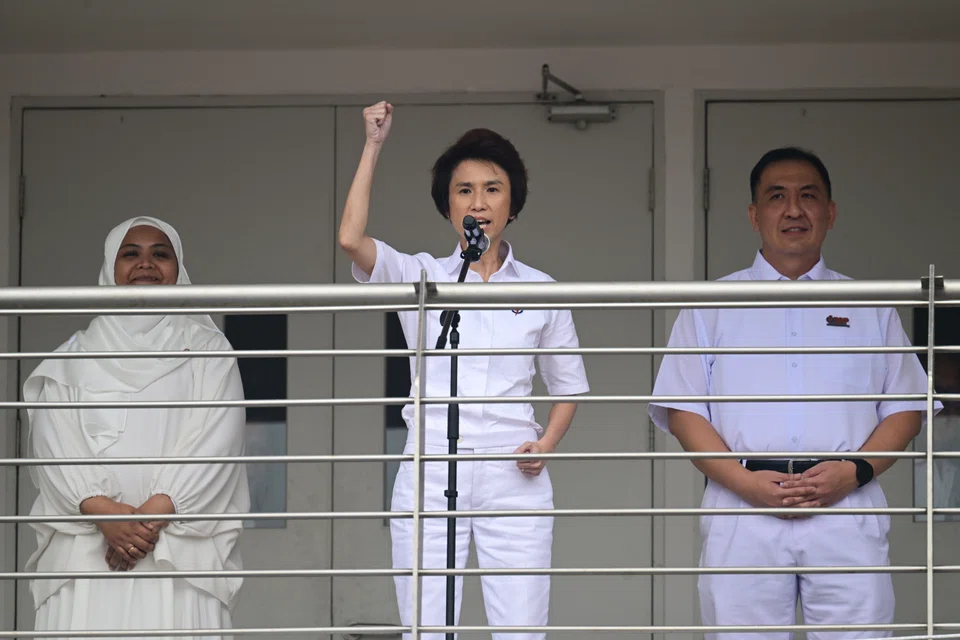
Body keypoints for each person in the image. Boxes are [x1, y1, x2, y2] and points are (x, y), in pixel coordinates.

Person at [648, 147, 939, 639]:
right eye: (776, 197)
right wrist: (744, 483)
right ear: (753, 214)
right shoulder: (712, 304)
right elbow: (684, 411)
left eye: (809, 196)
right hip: (743, 507)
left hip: (845, 505)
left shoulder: (868, 304)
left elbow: (905, 407)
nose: (793, 210)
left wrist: (855, 471)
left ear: (830, 212)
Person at [339, 102, 590, 640]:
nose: (479, 201)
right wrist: (373, 145)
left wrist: (545, 445)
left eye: (493, 189)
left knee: (521, 632)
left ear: (512, 205)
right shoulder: (422, 275)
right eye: (465, 190)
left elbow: (568, 387)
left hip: (514, 474)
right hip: (429, 468)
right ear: (448, 206)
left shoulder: (542, 289)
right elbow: (350, 241)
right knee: (426, 631)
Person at [24, 217, 250, 637]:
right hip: (86, 556)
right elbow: (51, 443)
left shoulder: (210, 351)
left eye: (160, 254)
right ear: (110, 267)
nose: (145, 264)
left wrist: (148, 520)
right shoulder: (70, 358)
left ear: (178, 270)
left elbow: (217, 440)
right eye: (131, 254)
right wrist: (104, 514)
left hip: (177, 555)